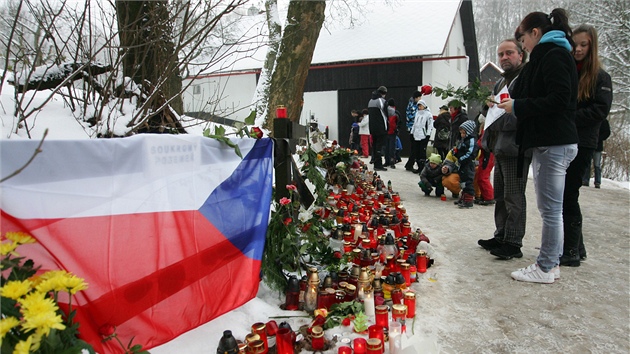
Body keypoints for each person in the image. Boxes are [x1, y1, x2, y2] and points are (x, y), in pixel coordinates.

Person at [500, 8, 578, 283]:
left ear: (535, 33)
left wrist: (518, 106)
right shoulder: (546, 56)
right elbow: (524, 89)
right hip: (550, 141)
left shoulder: (554, 55)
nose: (522, 46)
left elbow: (560, 99)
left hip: (553, 141)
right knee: (551, 209)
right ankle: (551, 263)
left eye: (523, 40)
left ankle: (545, 267)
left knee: (550, 210)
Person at [560, 24, 613, 267]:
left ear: (592, 47)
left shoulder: (600, 77)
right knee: (565, 194)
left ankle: (571, 249)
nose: (578, 49)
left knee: (569, 194)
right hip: (566, 139)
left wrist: (568, 116)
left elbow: (600, 110)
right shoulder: (571, 72)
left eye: (584, 45)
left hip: (584, 142)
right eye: (575, 44)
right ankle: (576, 247)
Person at [478, 38, 531, 260]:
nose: (504, 58)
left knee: (514, 195)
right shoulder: (501, 81)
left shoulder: (525, 79)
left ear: (521, 54)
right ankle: (501, 235)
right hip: (499, 146)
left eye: (509, 53)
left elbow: (524, 112)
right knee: (500, 195)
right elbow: (491, 111)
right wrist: (488, 105)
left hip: (516, 146)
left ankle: (513, 242)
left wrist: (499, 113)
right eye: (501, 54)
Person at [473, 104, 495, 205]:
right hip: (485, 155)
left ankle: (489, 197)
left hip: (487, 155)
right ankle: (484, 195)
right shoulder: (485, 127)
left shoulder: (488, 128)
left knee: (483, 177)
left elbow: (483, 143)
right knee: (481, 175)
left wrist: (476, 145)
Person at [452, 120, 477, 208]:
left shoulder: (471, 141)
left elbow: (470, 153)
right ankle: (464, 197)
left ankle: (469, 199)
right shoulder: (463, 140)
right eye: (461, 133)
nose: (462, 135)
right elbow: (460, 149)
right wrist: (455, 152)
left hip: (468, 164)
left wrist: (461, 159)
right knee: (462, 181)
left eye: (463, 133)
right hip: (462, 164)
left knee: (468, 182)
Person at [582, 118, 610, 188]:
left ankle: (597, 182)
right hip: (589, 145)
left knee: (597, 165)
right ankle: (585, 180)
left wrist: (598, 138)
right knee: (587, 163)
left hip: (597, 146)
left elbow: (607, 133)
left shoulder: (603, 121)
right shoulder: (590, 120)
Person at [368, 86, 389, 171]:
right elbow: (387, 113)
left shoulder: (370, 101)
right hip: (381, 127)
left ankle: (375, 163)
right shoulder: (381, 101)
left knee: (375, 145)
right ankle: (378, 165)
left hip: (372, 127)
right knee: (379, 147)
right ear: (383, 93)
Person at [410, 100, 433, 171]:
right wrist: (412, 132)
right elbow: (414, 124)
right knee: (416, 152)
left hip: (423, 136)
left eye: (420, 105)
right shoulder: (417, 113)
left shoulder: (428, 114)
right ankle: (418, 166)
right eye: (418, 106)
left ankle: (422, 168)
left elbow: (430, 125)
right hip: (416, 135)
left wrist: (428, 135)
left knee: (422, 153)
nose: (419, 107)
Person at [404, 91, 423, 172]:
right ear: (416, 98)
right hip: (413, 129)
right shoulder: (413, 105)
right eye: (419, 98)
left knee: (414, 148)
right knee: (414, 147)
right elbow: (415, 116)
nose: (420, 99)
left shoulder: (412, 104)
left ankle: (409, 164)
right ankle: (410, 164)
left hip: (413, 128)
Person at [384, 98, 401, 168]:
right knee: (392, 148)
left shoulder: (385, 112)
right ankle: (392, 162)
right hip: (393, 132)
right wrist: (397, 129)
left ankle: (387, 161)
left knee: (386, 148)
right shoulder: (396, 112)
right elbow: (400, 122)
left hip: (387, 132)